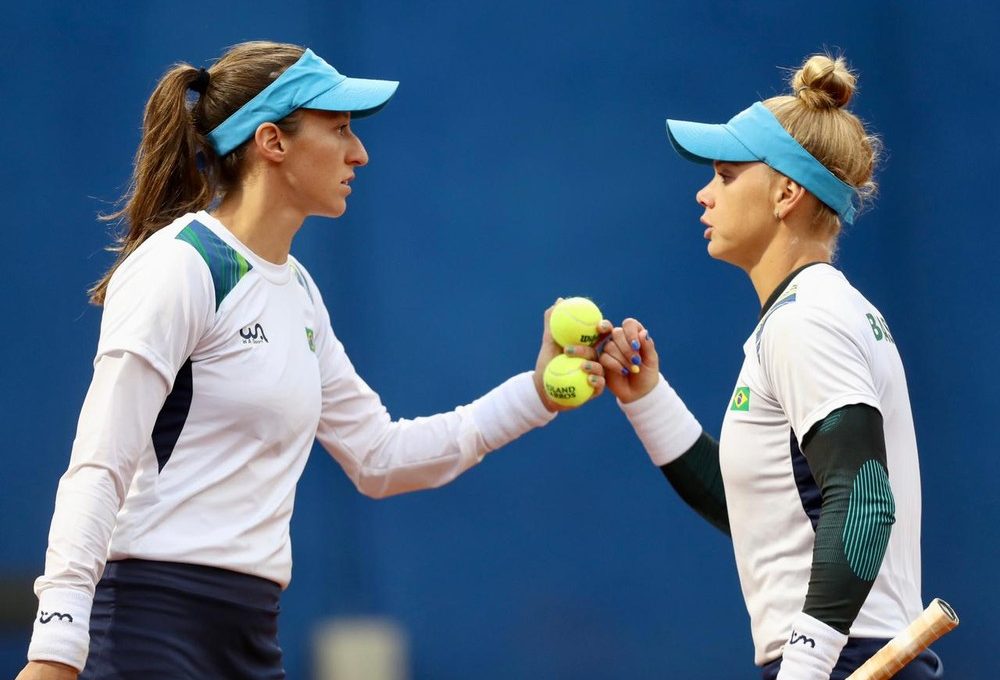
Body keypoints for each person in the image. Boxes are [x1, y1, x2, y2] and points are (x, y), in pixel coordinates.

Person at [18, 41, 607, 680]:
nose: (360, 153)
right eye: (341, 129)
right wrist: (56, 647)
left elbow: (380, 457)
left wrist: (538, 395)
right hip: (145, 627)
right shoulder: (179, 266)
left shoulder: (298, 292)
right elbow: (99, 465)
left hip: (250, 634)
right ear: (273, 141)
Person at [593, 54, 941, 678]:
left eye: (725, 175)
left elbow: (863, 503)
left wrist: (806, 668)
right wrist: (646, 399)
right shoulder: (813, 312)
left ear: (786, 192)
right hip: (847, 651)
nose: (704, 192)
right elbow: (755, 511)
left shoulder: (807, 320)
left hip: (841, 657)